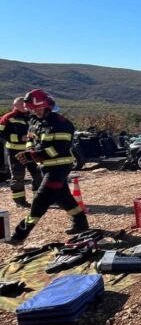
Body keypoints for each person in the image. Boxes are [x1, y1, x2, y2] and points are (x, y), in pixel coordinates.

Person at [9, 89, 88, 244]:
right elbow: (31, 138)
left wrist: (32, 156)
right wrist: (29, 151)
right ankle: (81, 224)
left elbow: (58, 148)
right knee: (63, 197)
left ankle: (19, 235)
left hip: (60, 167)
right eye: (32, 109)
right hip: (45, 166)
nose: (35, 111)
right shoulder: (34, 121)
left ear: (47, 106)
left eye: (38, 108)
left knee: (40, 199)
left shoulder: (61, 124)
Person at [0, 96, 41, 207]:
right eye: (22, 103)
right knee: (18, 177)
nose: (24, 105)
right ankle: (20, 202)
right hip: (15, 152)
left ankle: (39, 199)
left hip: (31, 151)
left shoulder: (31, 117)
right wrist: (19, 138)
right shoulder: (8, 117)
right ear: (15, 105)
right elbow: (1, 135)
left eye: (25, 103)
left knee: (38, 174)